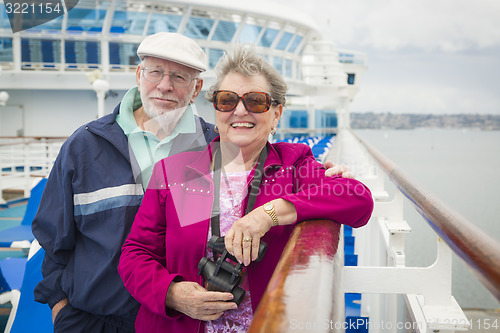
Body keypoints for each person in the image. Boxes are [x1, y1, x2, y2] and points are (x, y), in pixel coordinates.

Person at [31, 33, 352, 332]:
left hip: (173, 316)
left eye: (180, 77)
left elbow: (342, 194)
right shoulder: (86, 145)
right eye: (155, 72)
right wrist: (60, 307)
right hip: (92, 317)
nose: (165, 86)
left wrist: (321, 179)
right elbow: (53, 236)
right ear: (139, 75)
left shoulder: (219, 145)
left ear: (197, 89)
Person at [118, 46, 374, 333]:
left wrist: (269, 213)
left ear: (276, 114)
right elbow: (136, 254)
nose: (240, 110)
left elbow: (358, 199)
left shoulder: (293, 164)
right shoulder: (177, 172)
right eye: (227, 100)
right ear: (216, 109)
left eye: (255, 101)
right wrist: (172, 294)